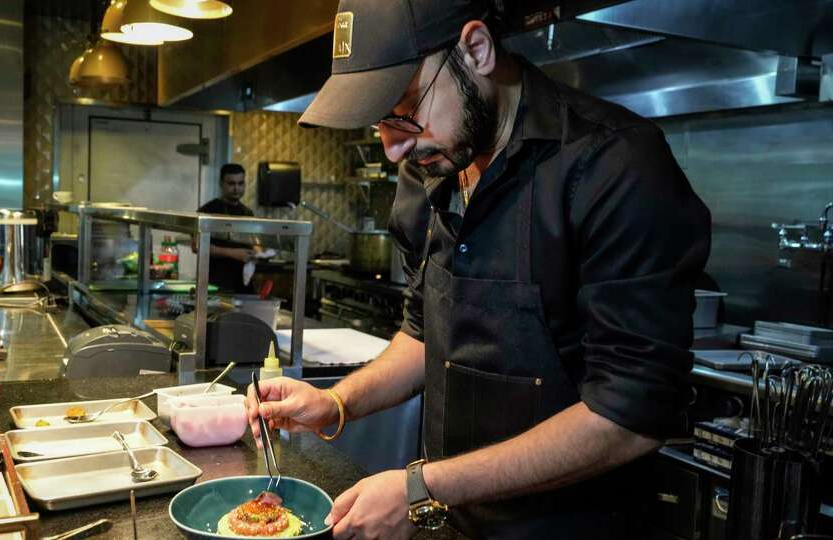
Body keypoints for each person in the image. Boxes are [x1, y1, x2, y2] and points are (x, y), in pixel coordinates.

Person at [247, 1, 712, 539]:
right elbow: (426, 331)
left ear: (476, 49)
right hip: (450, 523)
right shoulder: (431, 171)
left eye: (403, 108)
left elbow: (630, 416)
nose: (393, 147)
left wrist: (424, 488)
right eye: (380, 121)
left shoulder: (615, 166)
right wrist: (335, 404)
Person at [197, 163, 258, 293]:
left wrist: (258, 252)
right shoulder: (208, 210)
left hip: (243, 286)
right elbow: (196, 246)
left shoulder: (248, 213)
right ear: (221, 184)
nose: (236, 188)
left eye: (240, 183)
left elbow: (254, 244)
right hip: (216, 284)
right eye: (231, 184)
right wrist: (233, 253)